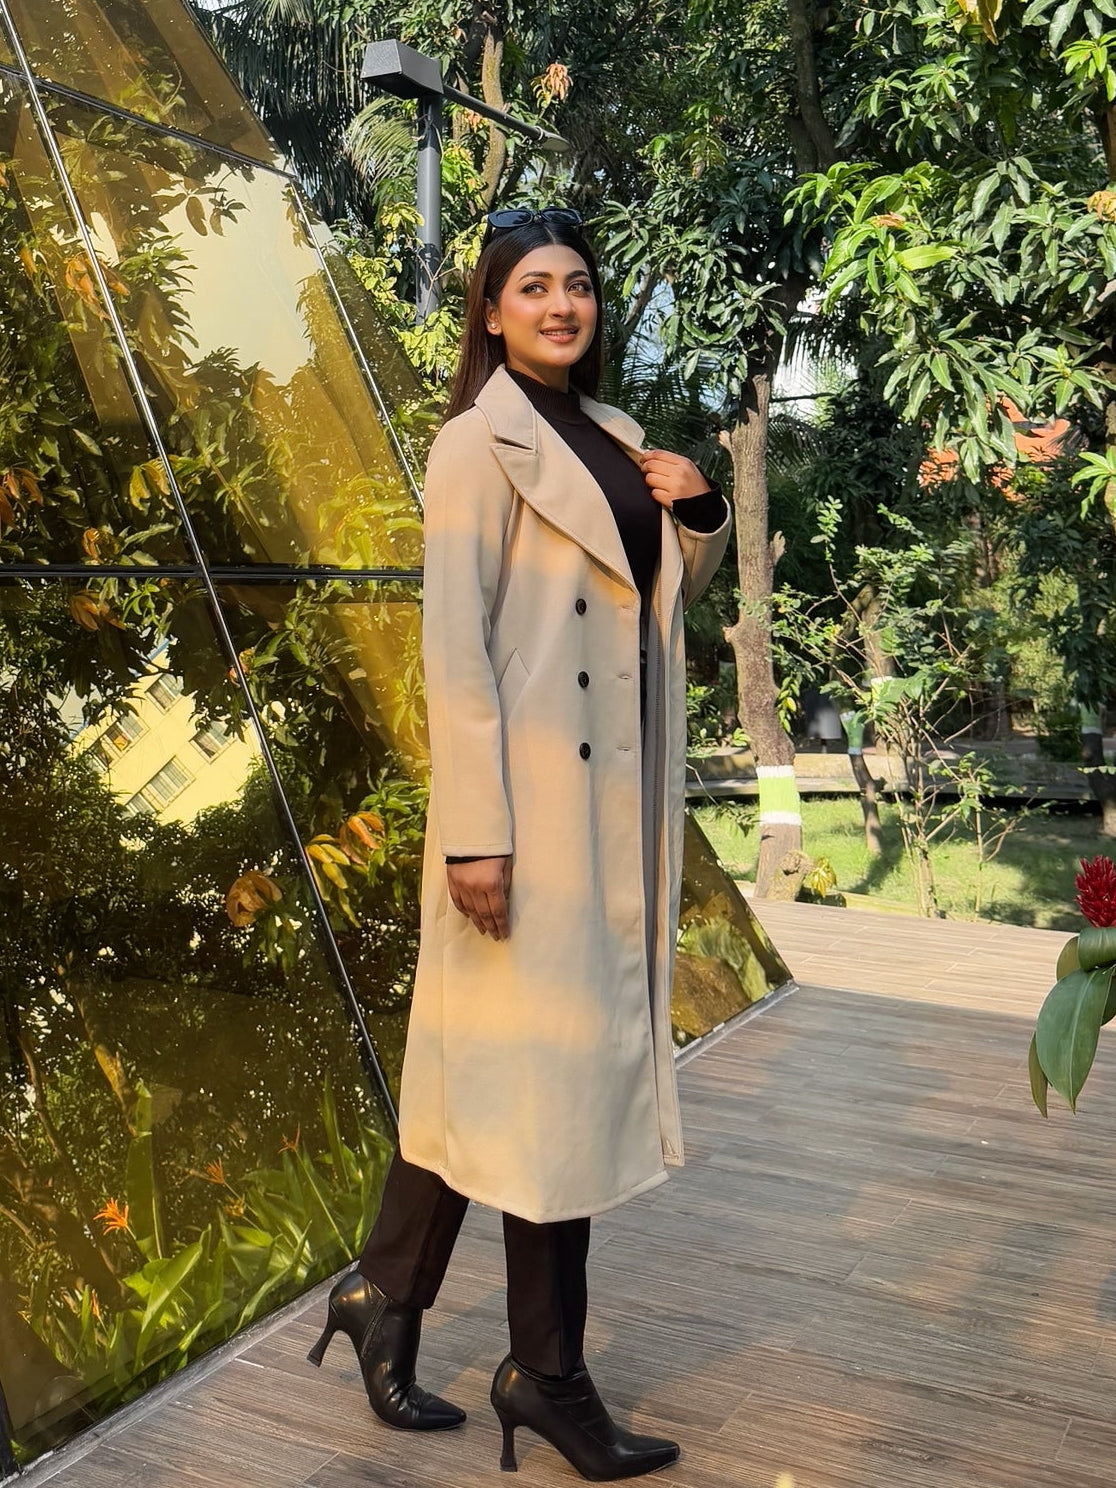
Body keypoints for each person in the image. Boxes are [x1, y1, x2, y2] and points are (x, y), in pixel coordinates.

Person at [308, 206, 732, 1480]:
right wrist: (476, 838)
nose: (562, 305)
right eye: (533, 287)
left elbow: (654, 607)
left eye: (580, 286)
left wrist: (696, 512)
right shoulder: (470, 446)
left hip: (608, 819)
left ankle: (383, 1295)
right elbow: (458, 654)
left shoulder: (614, 439)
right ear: (491, 312)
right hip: (525, 824)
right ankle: (548, 1378)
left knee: (490, 1083)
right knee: (542, 1099)